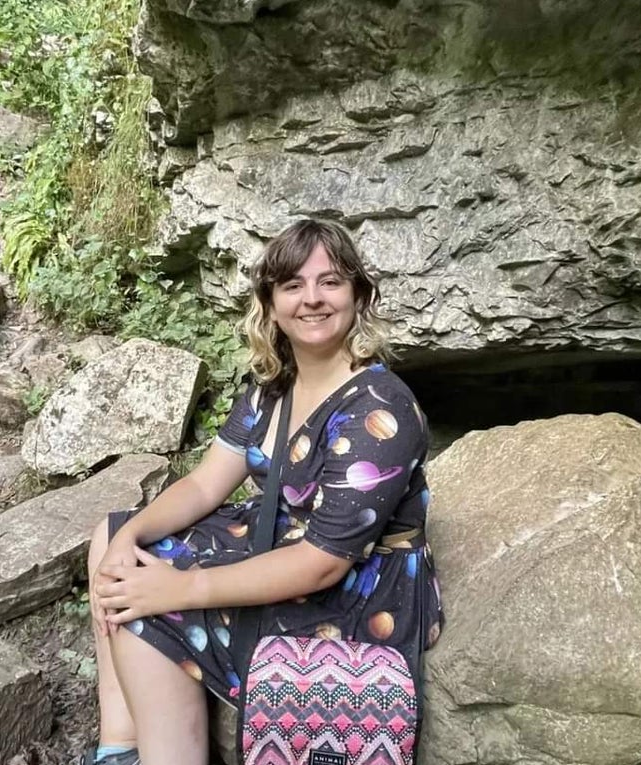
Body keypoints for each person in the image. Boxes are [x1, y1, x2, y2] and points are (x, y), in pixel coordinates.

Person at [84, 219, 444, 765]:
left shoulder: (379, 409)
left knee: (145, 604)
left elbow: (324, 562)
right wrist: (130, 533)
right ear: (271, 304)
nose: (313, 299)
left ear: (358, 296)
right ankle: (120, 748)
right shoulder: (271, 389)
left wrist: (178, 590)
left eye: (331, 282)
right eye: (293, 285)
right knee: (112, 542)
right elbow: (206, 482)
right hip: (282, 537)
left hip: (352, 588)